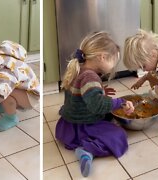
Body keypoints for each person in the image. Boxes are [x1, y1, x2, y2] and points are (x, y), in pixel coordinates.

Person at [56, 32, 134, 177]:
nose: (113, 66)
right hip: (84, 124)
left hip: (68, 125)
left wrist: (101, 91)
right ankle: (87, 151)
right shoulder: (90, 76)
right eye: (113, 61)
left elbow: (80, 94)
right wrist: (120, 103)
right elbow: (97, 106)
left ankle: (84, 145)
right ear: (102, 57)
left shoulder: (78, 69)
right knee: (118, 135)